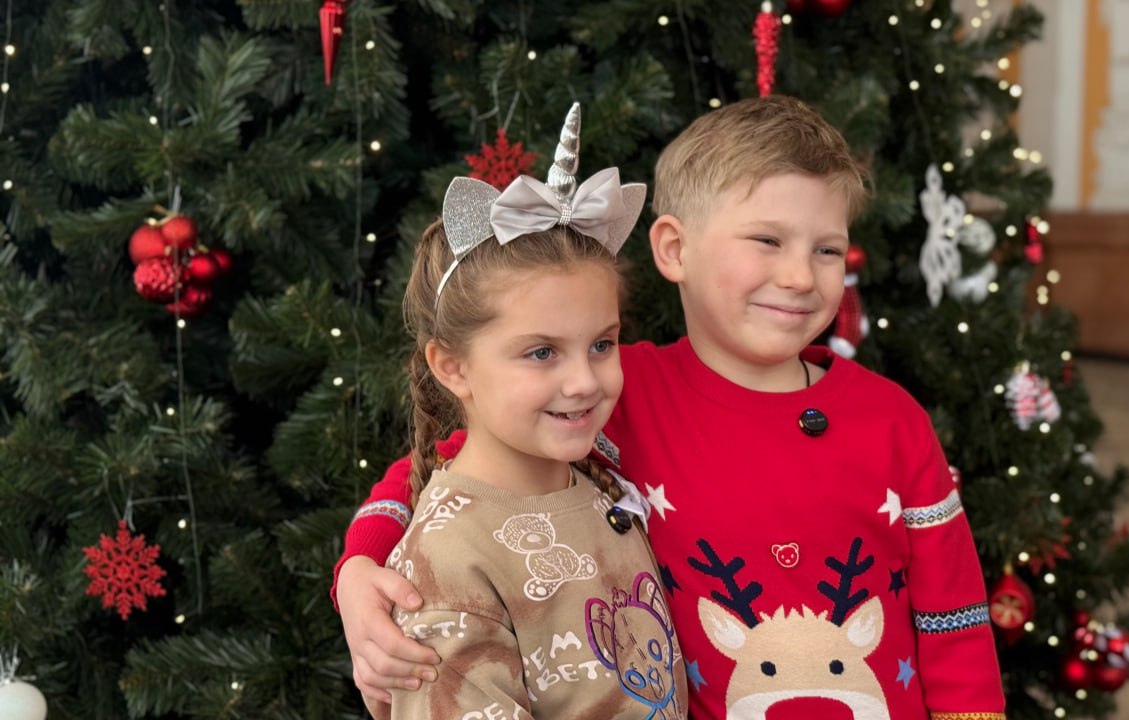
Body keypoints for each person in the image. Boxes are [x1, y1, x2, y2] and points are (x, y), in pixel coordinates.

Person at [337, 96, 1006, 720]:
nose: (801, 276)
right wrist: (359, 570)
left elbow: (955, 619)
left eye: (826, 249)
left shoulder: (892, 419)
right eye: (767, 242)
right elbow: (452, 472)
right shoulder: (617, 391)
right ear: (675, 249)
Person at [370, 103, 686, 720]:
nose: (584, 381)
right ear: (453, 367)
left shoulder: (601, 482)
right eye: (542, 352)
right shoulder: (449, 561)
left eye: (602, 344)